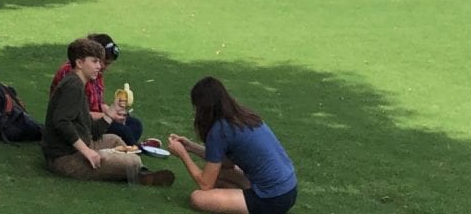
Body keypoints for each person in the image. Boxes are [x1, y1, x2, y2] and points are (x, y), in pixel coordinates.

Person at [41, 37, 174, 187]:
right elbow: (61, 121)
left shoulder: (79, 83)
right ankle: (137, 172)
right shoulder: (73, 86)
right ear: (79, 63)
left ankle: (140, 173)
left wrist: (111, 112)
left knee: (115, 140)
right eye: (94, 61)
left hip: (81, 145)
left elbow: (93, 129)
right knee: (132, 160)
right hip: (64, 158)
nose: (100, 66)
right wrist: (87, 151)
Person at [167, 76, 297, 214]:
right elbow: (227, 163)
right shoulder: (243, 117)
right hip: (289, 189)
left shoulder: (219, 130)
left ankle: (247, 203)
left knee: (197, 198)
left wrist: (182, 154)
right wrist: (191, 147)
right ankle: (238, 198)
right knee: (220, 176)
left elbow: (205, 184)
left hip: (271, 199)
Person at [49, 33, 143, 146]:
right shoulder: (73, 77)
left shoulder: (94, 72)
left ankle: (127, 147)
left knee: (135, 124)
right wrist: (110, 115)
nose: (103, 67)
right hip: (81, 124)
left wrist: (115, 111)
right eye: (100, 62)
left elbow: (99, 103)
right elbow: (77, 116)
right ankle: (131, 149)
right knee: (122, 131)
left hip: (94, 119)